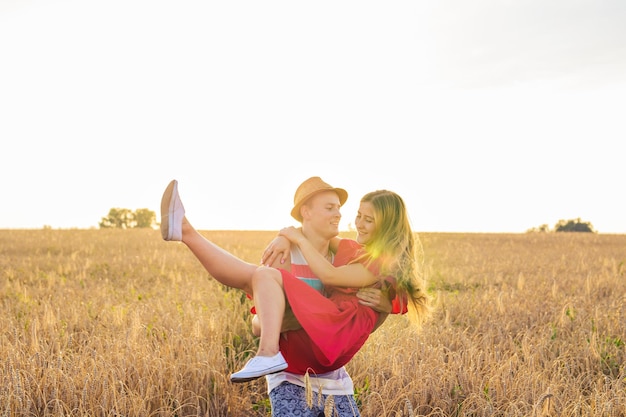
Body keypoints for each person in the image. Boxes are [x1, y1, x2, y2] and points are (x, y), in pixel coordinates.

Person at [161, 177, 392, 416]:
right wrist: (293, 319)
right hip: (290, 378)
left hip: (335, 380)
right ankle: (186, 232)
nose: (339, 215)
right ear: (306, 212)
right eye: (330, 207)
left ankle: (185, 231)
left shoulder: (346, 255)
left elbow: (359, 318)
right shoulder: (283, 257)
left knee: (256, 274)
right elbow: (259, 324)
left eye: (339, 208)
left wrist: (386, 306)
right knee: (258, 275)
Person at [229, 189, 430, 382]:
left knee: (264, 276)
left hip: (329, 335)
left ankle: (267, 351)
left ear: (387, 228)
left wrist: (296, 238)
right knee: (262, 298)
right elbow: (315, 231)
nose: (359, 224)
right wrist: (284, 237)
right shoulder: (357, 251)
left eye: (368, 220)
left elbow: (329, 275)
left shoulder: (379, 264)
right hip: (333, 340)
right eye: (359, 216)